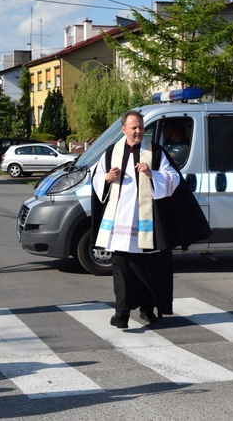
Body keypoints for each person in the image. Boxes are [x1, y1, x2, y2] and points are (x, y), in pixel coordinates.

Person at [91, 111, 210, 329]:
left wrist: (152, 174)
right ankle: (122, 313)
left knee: (147, 269)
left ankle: (147, 308)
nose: (138, 131)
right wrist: (106, 178)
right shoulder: (111, 152)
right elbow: (96, 176)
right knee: (121, 268)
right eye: (133, 128)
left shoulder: (155, 151)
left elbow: (173, 178)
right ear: (123, 130)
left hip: (146, 222)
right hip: (119, 223)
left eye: (140, 127)